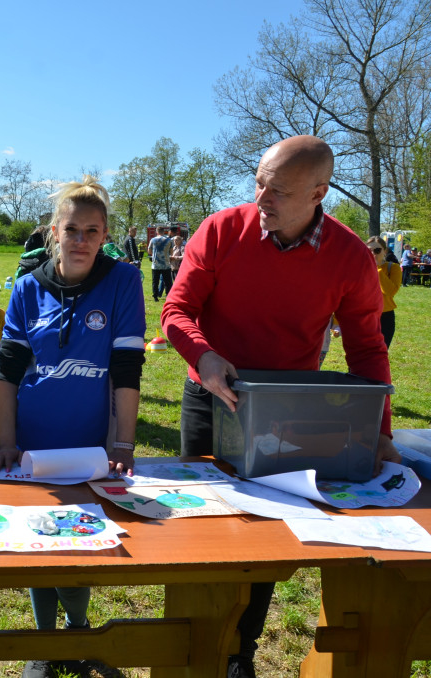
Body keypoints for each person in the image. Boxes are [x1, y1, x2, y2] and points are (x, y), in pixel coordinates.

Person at [160, 135, 397, 678]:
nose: (261, 196)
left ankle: (240, 651)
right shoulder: (220, 230)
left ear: (318, 193)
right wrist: (204, 355)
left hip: (289, 410)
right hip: (212, 398)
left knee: (266, 531)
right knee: (198, 523)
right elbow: (177, 309)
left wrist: (379, 430)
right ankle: (193, 648)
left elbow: (366, 347)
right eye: (259, 181)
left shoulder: (349, 256)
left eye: (278, 190)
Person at [0, 176, 144, 678]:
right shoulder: (29, 287)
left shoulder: (123, 282)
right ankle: (44, 645)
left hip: (89, 443)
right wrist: (8, 441)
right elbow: (7, 374)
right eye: (71, 229)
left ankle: (76, 632)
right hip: (33, 445)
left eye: (91, 231)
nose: (80, 240)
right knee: (40, 542)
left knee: (79, 542)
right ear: (54, 231)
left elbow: (126, 372)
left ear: (105, 235)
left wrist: (122, 442)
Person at [367, 236, 401, 349]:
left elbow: (390, 291)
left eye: (377, 250)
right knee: (359, 354)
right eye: (369, 250)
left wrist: (377, 269)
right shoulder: (360, 268)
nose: (373, 253)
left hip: (385, 317)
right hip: (364, 316)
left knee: (380, 353)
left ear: (385, 251)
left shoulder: (393, 268)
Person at [146, 225, 173, 302]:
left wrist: (155, 255)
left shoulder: (153, 240)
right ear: (164, 231)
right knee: (168, 282)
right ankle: (168, 295)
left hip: (156, 264)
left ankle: (155, 296)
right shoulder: (169, 240)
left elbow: (149, 251)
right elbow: (171, 252)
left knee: (155, 281)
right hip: (166, 264)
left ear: (156, 232)